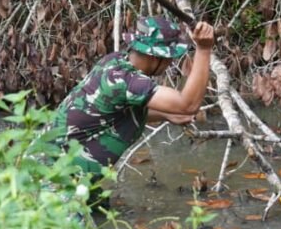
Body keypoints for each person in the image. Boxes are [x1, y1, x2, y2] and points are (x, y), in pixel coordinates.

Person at [53, 15, 215, 203]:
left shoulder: (113, 61)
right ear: (156, 57)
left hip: (71, 176)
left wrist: (165, 115)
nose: (171, 62)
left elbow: (114, 114)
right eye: (170, 58)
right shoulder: (126, 81)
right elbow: (188, 105)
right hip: (55, 182)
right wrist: (203, 50)